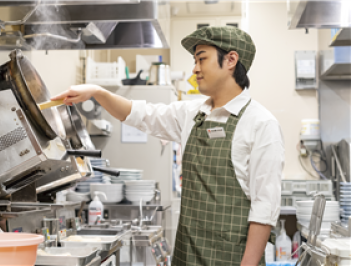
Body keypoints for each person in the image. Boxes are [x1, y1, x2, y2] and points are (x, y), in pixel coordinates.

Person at [52, 26, 284, 266]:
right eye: (195, 60)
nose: (195, 68)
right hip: (186, 255)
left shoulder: (261, 124)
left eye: (202, 58)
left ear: (231, 60)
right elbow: (139, 114)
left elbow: (264, 208)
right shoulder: (192, 114)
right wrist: (97, 92)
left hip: (231, 259)